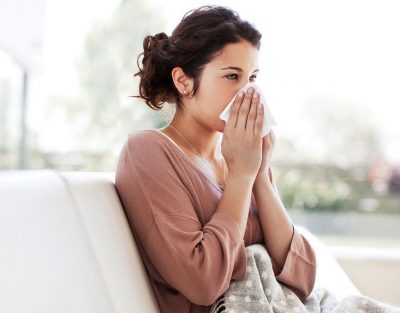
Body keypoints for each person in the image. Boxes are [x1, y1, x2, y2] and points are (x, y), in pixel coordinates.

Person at [115, 5, 316, 313]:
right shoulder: (148, 152)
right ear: (183, 82)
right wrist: (241, 177)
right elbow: (203, 282)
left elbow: (303, 279)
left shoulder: (243, 159)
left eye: (252, 77)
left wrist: (259, 175)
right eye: (232, 76)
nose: (248, 92)